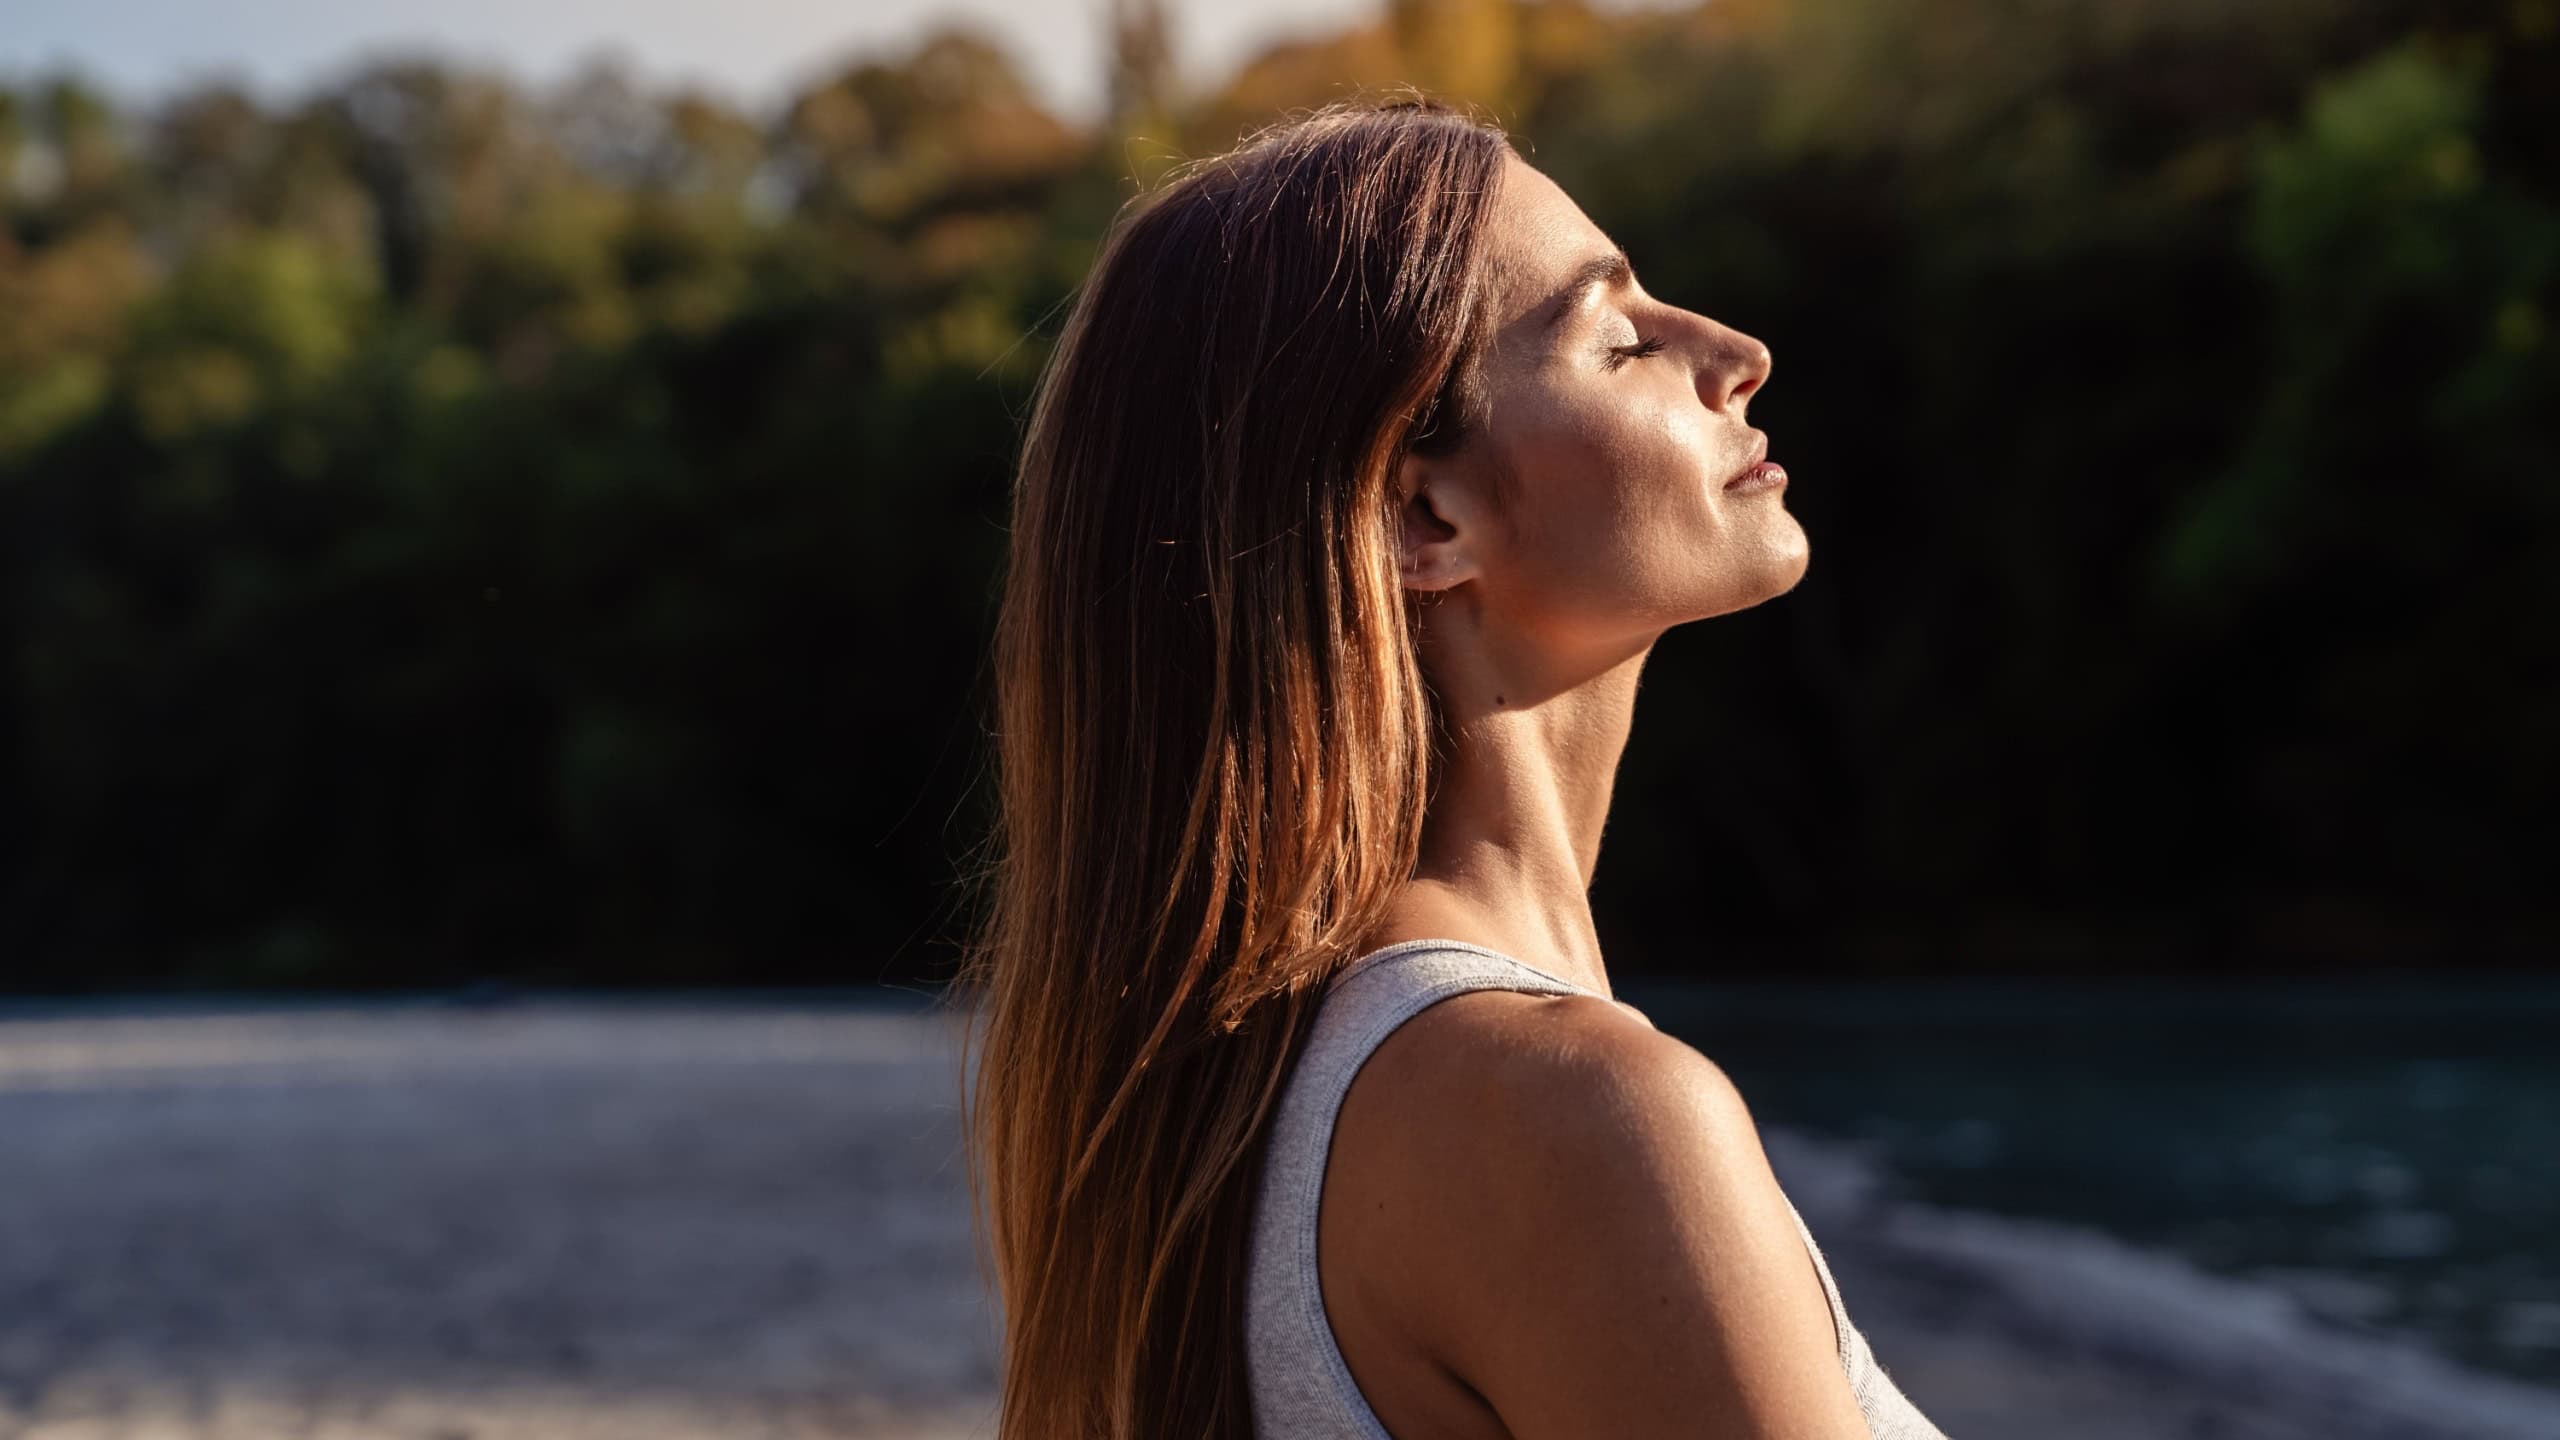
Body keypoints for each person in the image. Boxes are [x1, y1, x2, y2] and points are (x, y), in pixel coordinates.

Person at [956, 95, 1948, 1439]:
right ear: (1427, 516)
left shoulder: (1211, 1125)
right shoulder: (1577, 1119)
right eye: (1615, 335)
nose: (1736, 352)